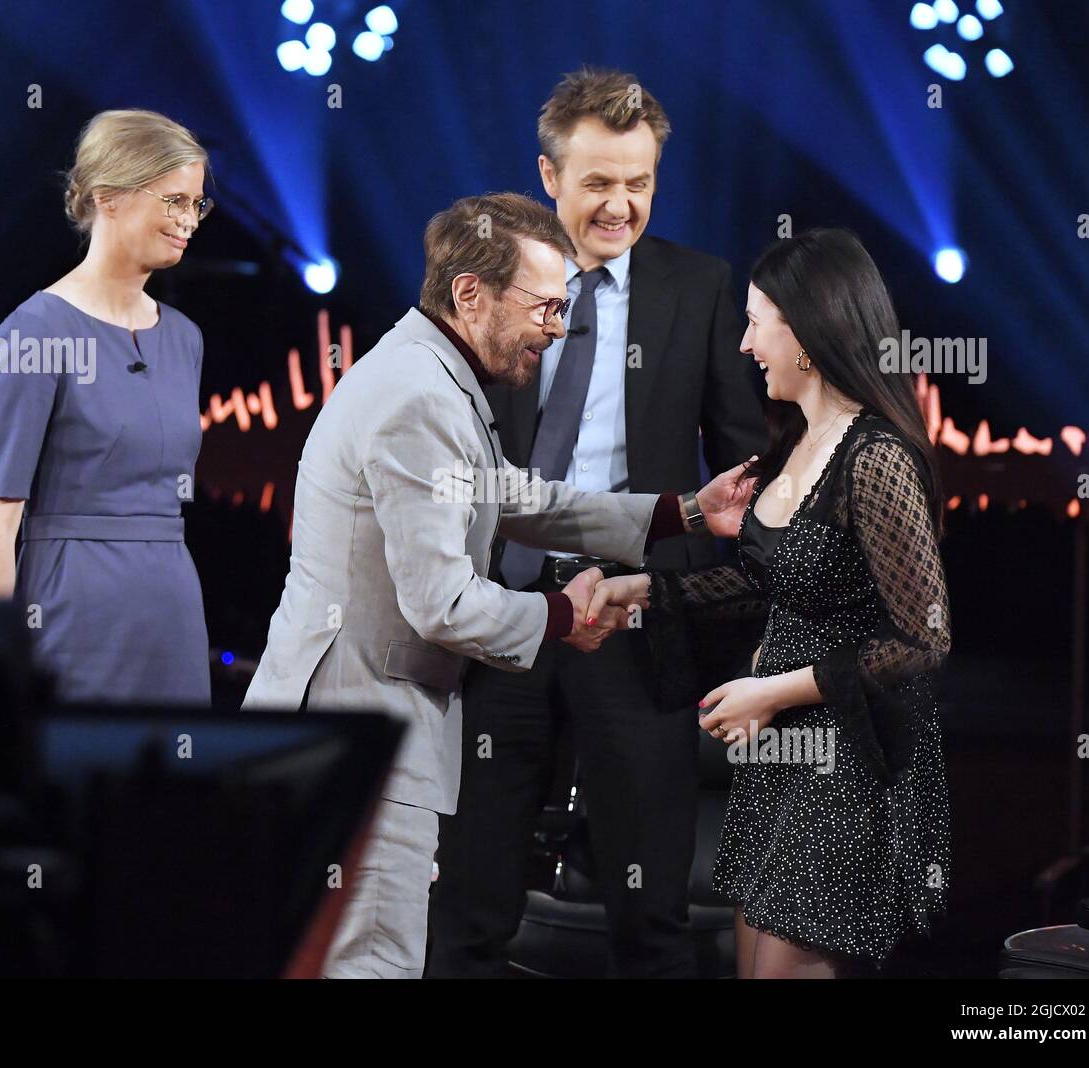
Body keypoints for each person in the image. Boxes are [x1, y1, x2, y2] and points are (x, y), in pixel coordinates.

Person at [240, 192, 748, 978]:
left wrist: (681, 511)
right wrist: (559, 617)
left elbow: (517, 498)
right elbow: (440, 602)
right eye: (544, 306)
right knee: (369, 967)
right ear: (469, 292)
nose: (558, 326)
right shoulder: (421, 398)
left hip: (349, 731)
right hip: (360, 734)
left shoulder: (432, 374)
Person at [429, 67, 768, 979]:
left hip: (636, 620)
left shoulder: (699, 287)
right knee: (468, 900)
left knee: (650, 911)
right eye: (598, 183)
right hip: (499, 621)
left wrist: (690, 595)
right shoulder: (483, 286)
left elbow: (743, 469)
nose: (621, 205)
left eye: (640, 184)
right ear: (548, 176)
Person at [589, 228, 953, 978]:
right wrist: (643, 592)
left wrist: (774, 692)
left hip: (846, 763)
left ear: (810, 330)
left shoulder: (875, 457)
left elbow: (924, 638)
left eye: (758, 323)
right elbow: (769, 583)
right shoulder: (795, 444)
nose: (748, 344)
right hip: (782, 759)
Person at [0, 109, 213, 705]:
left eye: (197, 205)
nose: (189, 222)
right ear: (109, 197)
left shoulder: (185, 337)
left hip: (172, 611)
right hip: (67, 611)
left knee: (179, 792)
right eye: (174, 201)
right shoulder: (34, 332)